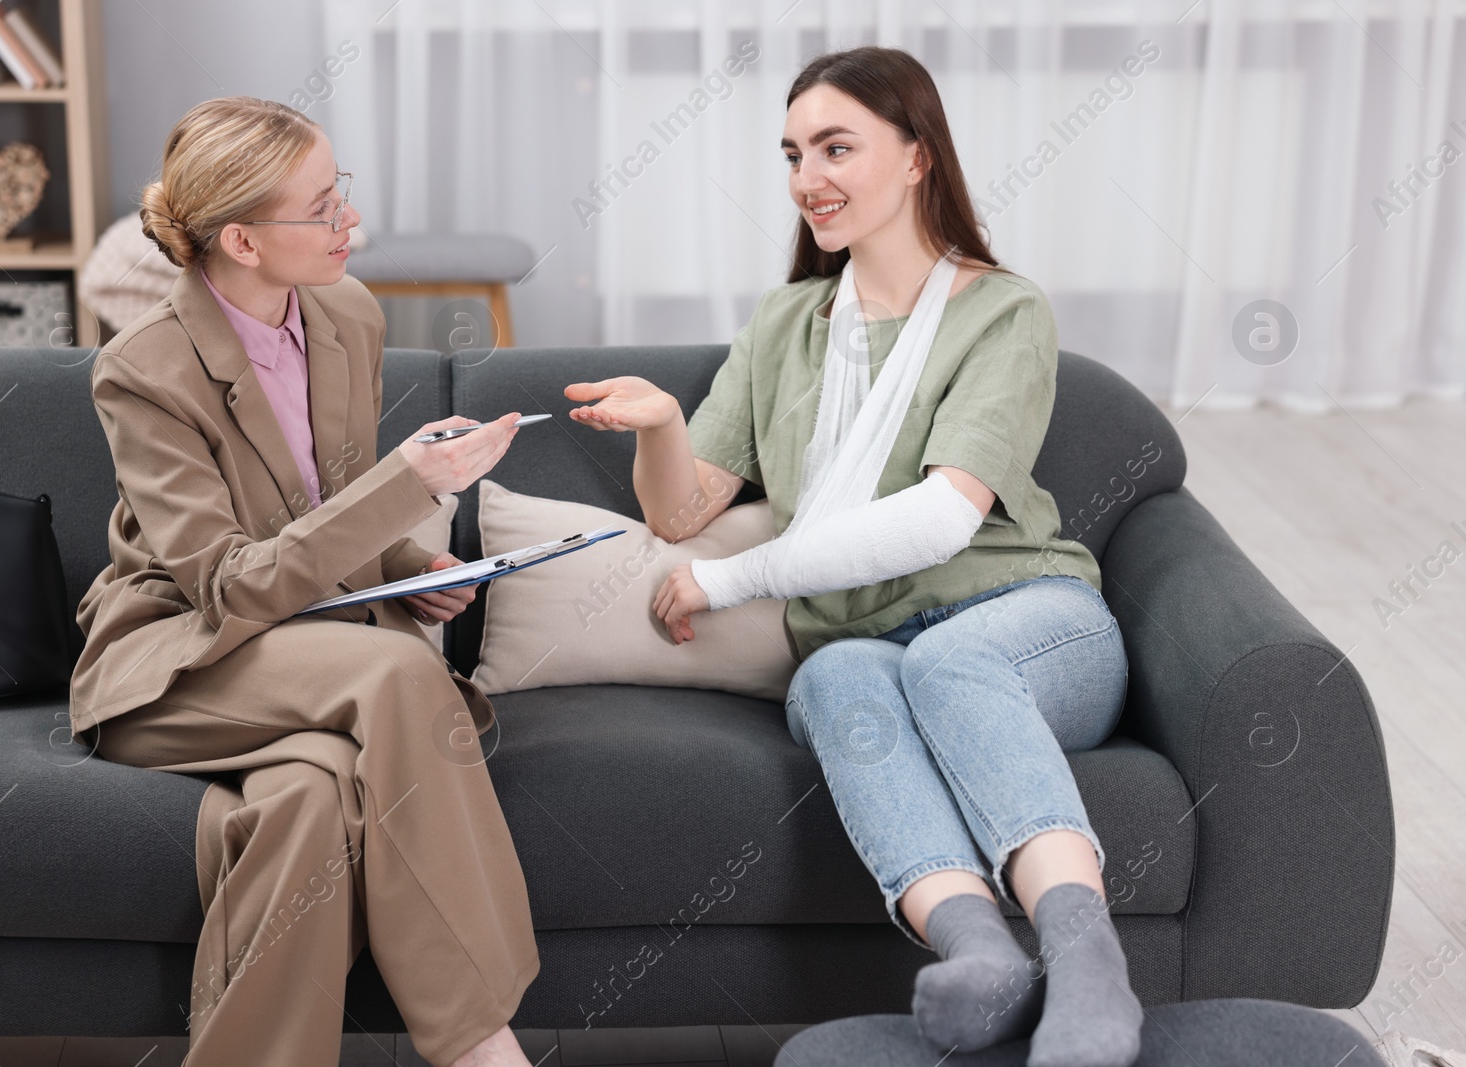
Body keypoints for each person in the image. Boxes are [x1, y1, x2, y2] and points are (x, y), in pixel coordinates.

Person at [565, 48, 1141, 1067]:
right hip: (859, 636)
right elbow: (686, 508)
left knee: (946, 660)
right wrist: (660, 425)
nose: (806, 178)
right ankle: (979, 953)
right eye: (792, 153)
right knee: (834, 673)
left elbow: (941, 518)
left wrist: (733, 580)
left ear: (917, 156)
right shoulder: (788, 322)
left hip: (1026, 618)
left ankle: (1089, 962)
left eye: (837, 147)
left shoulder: (1002, 310)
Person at [68, 96, 540, 1067]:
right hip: (179, 659)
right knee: (399, 676)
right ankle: (482, 1045)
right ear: (240, 237)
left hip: (298, 651)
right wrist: (409, 485)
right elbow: (227, 586)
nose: (350, 226)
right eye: (322, 207)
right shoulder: (142, 369)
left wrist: (409, 568)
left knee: (309, 794)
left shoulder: (346, 316)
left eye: (343, 195)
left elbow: (312, 521)